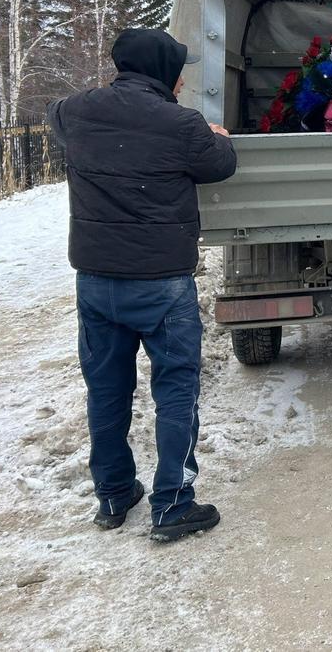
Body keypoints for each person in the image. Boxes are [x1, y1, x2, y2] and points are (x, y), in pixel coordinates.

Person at [48, 28, 237, 542]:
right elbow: (220, 165)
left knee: (106, 390)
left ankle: (113, 494)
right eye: (178, 72)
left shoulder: (74, 112)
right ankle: (172, 505)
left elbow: (56, 118)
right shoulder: (182, 124)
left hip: (96, 282)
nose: (182, 83)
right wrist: (218, 136)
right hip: (162, 285)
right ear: (163, 72)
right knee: (176, 390)